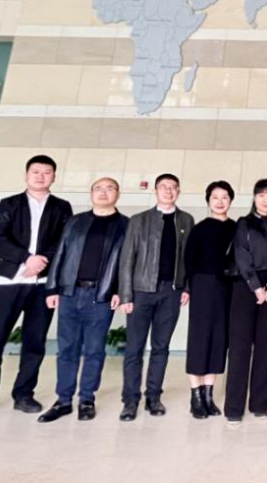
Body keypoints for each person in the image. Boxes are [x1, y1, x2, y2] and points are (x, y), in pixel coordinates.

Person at [0, 155, 73, 425]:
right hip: (7, 284)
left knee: (34, 344)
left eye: (47, 172)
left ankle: (23, 395)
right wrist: (26, 258)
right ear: (26, 175)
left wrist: (41, 261)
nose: (41, 176)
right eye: (36, 171)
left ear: (54, 177)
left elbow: (65, 241)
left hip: (42, 285)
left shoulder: (61, 207)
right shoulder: (9, 204)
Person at [38, 178, 128, 423]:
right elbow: (60, 254)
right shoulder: (76, 221)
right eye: (98, 188)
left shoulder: (125, 225)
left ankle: (87, 398)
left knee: (94, 350)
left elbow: (127, 263)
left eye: (109, 188)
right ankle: (63, 400)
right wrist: (52, 288)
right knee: (66, 349)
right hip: (70, 293)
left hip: (101, 296)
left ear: (118, 194)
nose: (103, 192)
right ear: (91, 193)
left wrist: (120, 290)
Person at [118, 173, 194, 421]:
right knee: (134, 348)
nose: (168, 191)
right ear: (155, 190)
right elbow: (127, 259)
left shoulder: (186, 220)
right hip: (141, 292)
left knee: (161, 347)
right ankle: (130, 400)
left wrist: (186, 288)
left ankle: (153, 396)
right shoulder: (139, 220)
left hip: (171, 293)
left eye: (173, 187)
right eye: (164, 187)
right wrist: (126, 295)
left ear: (178, 191)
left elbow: (189, 258)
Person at [225, 178, 267, 423]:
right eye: (261, 194)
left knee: (265, 348)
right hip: (245, 287)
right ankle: (234, 408)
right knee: (239, 348)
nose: (266, 199)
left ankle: (260, 404)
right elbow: (241, 254)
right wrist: (256, 287)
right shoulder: (244, 223)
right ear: (254, 198)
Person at [184, 180, 236, 419]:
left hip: (227, 288)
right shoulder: (200, 229)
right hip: (202, 285)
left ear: (230, 200)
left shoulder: (236, 228)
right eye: (215, 197)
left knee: (218, 339)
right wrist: (187, 288)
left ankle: (208, 395)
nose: (220, 201)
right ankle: (195, 396)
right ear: (208, 201)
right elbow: (189, 261)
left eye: (224, 197)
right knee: (199, 337)